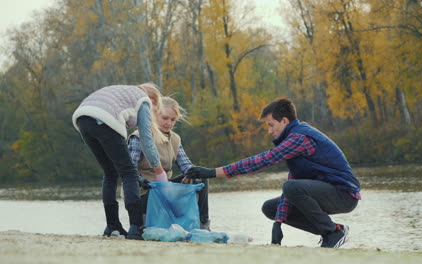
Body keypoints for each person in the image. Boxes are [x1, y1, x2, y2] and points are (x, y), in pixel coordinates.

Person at [186, 97, 360, 248]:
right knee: (271, 208)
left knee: (291, 187)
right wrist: (279, 222)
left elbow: (263, 160)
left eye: (271, 125)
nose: (269, 131)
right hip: (327, 192)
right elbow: (294, 181)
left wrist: (212, 172)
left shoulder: (299, 138)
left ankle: (332, 233)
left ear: (284, 121)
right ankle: (334, 230)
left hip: (344, 195)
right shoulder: (294, 138)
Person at [72, 83, 167, 240]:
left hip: (83, 119)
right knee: (129, 173)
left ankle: (112, 226)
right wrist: (159, 171)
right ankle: (136, 227)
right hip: (105, 119)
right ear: (151, 99)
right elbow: (146, 140)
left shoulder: (122, 92)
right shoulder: (143, 100)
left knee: (110, 172)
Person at [128, 96, 211, 230]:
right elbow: (129, 172)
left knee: (200, 176)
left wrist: (191, 174)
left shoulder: (176, 139)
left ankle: (203, 224)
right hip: (146, 192)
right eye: (165, 118)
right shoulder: (138, 137)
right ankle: (143, 223)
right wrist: (141, 181)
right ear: (154, 115)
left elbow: (186, 166)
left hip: (167, 189)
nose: (169, 123)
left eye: (173, 120)